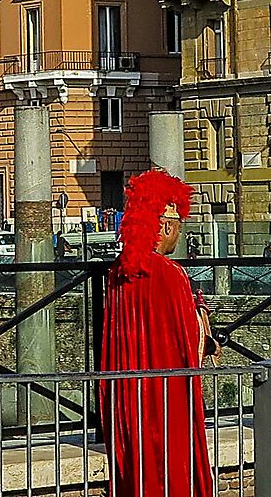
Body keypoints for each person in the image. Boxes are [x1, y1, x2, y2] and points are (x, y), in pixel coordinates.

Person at [98, 170, 213, 496]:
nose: (178, 237)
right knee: (170, 466)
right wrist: (203, 321)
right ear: (165, 226)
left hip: (129, 392)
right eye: (178, 227)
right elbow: (188, 340)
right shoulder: (170, 273)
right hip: (166, 395)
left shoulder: (119, 270)